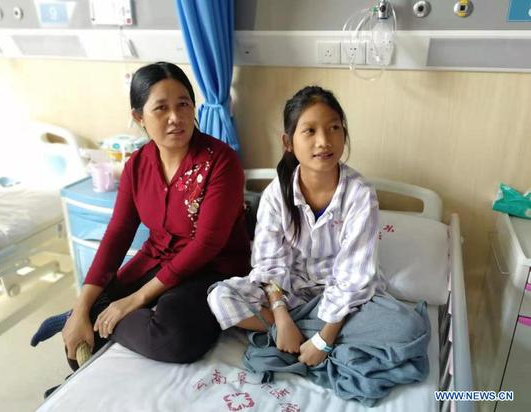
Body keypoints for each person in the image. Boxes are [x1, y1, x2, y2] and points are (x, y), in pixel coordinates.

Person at [32, 62, 250, 376]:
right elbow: (118, 233)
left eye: (184, 105)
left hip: (212, 269)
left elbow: (206, 244)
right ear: (139, 117)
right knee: (84, 319)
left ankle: (100, 316)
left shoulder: (220, 162)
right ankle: (82, 346)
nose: (175, 118)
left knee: (174, 337)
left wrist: (133, 300)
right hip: (156, 260)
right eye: (161, 108)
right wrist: (83, 304)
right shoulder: (137, 165)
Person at [207, 86, 429, 382]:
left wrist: (324, 341)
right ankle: (294, 331)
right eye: (309, 131)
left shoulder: (359, 195)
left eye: (334, 128)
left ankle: (306, 334)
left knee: (408, 329)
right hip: (292, 294)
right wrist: (282, 317)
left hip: (348, 302)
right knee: (220, 297)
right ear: (288, 142)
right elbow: (269, 265)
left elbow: (354, 278)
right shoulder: (276, 195)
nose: (324, 141)